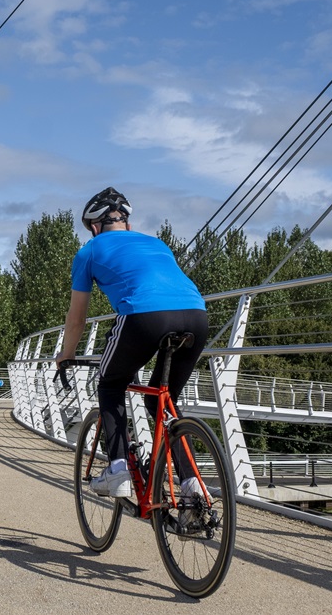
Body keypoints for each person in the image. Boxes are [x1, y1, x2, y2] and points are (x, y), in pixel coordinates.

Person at [54, 187, 208, 498]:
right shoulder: (158, 244)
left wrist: (66, 355)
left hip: (144, 316)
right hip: (197, 316)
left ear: (94, 227)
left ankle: (118, 469)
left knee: (111, 384)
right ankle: (193, 486)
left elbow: (76, 319)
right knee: (162, 400)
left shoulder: (90, 251)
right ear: (127, 223)